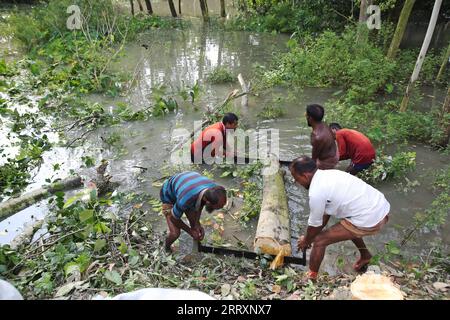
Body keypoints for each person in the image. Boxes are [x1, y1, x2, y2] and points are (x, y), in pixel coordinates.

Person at [289, 156, 390, 282]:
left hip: (370, 218)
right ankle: (365, 255)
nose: (297, 182)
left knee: (320, 240)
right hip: (381, 208)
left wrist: (307, 240)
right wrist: (307, 238)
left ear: (305, 176)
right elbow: (323, 217)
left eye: (296, 179)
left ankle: (311, 277)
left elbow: (314, 225)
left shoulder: (316, 192)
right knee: (345, 225)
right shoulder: (329, 174)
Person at [160, 171, 227, 252]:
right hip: (168, 193)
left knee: (195, 225)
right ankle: (166, 249)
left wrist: (196, 223)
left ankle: (196, 246)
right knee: (175, 233)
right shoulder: (185, 199)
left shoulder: (214, 189)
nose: (220, 208)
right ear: (208, 202)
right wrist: (190, 231)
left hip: (187, 184)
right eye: (218, 207)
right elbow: (173, 218)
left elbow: (200, 204)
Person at [305, 104, 338, 170]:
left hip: (327, 162)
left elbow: (314, 159)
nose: (305, 117)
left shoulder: (317, 137)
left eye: (306, 115)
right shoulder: (323, 124)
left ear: (310, 118)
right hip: (334, 154)